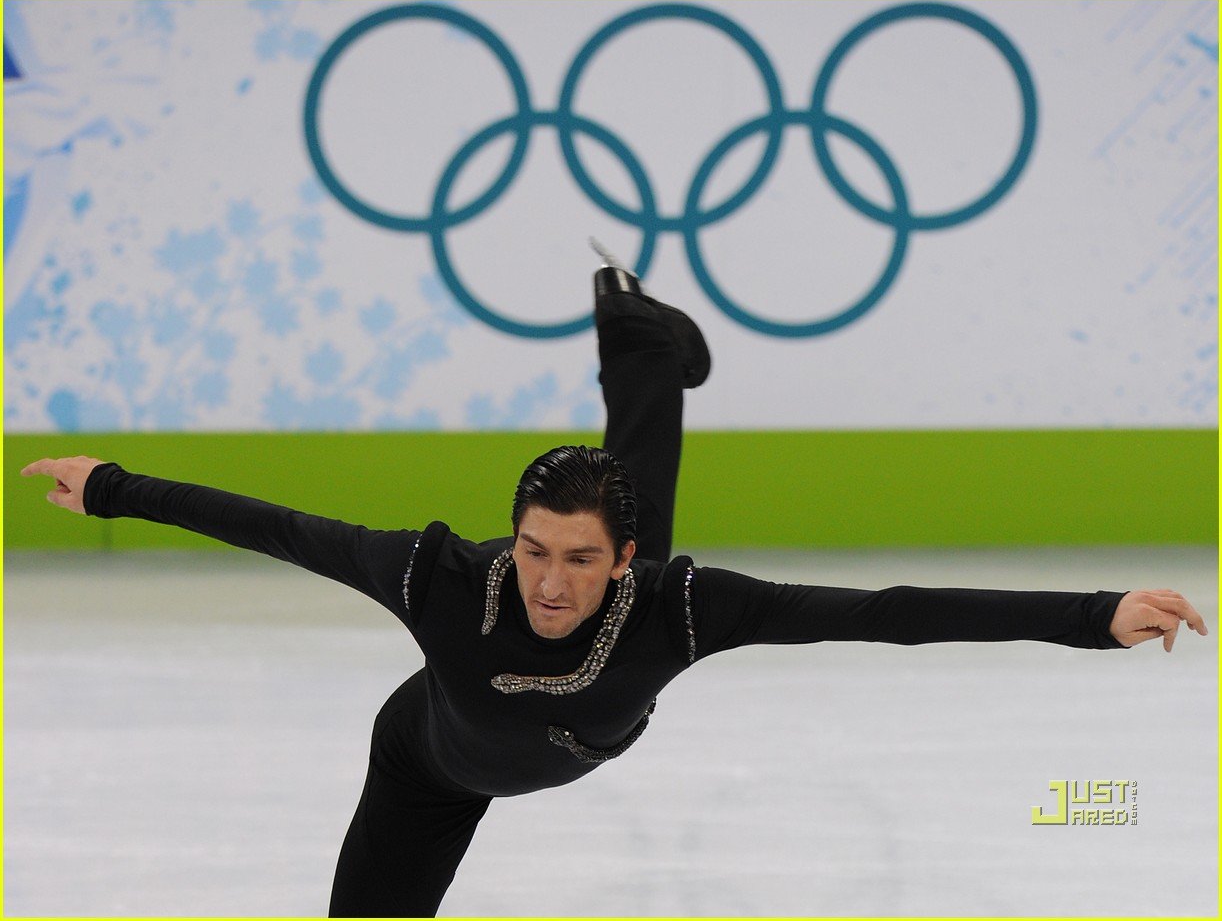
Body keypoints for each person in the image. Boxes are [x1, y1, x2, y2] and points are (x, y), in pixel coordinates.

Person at [22, 260, 1207, 918]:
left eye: (579, 557)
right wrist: (113, 484)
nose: (548, 579)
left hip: (600, 698)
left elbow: (883, 610)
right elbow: (276, 525)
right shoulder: (441, 577)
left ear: (619, 567)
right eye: (533, 548)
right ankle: (639, 338)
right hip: (429, 765)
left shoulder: (675, 603)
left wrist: (1091, 617)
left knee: (630, 492)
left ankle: (636, 334)